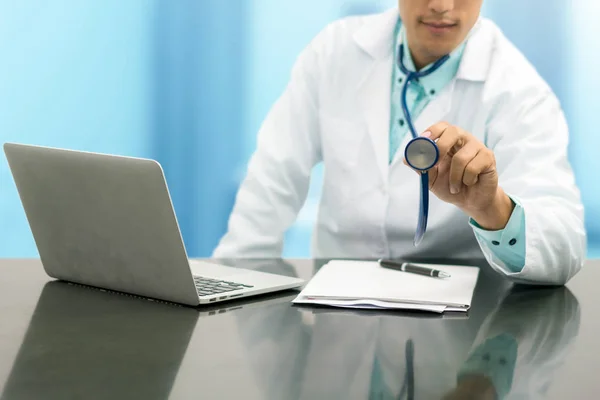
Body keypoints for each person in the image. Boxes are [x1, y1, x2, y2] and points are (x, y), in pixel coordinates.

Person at [213, 0, 586, 285]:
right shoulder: (334, 52)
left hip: (452, 338)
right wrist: (232, 283)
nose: (442, 5)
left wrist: (493, 209)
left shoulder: (519, 90)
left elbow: (564, 246)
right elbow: (272, 180)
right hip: (337, 322)